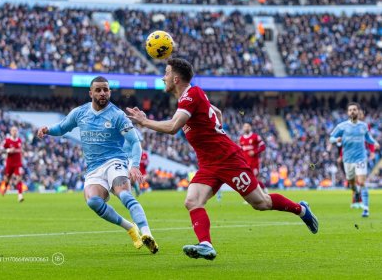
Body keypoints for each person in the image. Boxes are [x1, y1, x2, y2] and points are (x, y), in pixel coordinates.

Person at [126, 58, 318, 261]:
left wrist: (145, 121)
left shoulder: (191, 94)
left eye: (165, 73)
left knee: (261, 202)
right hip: (209, 164)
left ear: (175, 78)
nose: (163, 77)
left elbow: (173, 127)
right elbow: (216, 111)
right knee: (192, 201)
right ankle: (206, 245)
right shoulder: (190, 97)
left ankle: (302, 210)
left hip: (228, 160)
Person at [36, 76, 158, 253]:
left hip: (114, 162)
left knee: (124, 195)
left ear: (110, 92)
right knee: (93, 202)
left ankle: (147, 233)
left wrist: (135, 165)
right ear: (91, 92)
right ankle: (130, 228)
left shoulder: (118, 115)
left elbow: (135, 143)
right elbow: (62, 128)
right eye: (99, 90)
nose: (102, 93)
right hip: (94, 168)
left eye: (106, 90)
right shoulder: (80, 113)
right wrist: (48, 130)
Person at [330, 103, 380, 217]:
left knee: (362, 182)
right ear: (348, 113)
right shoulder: (341, 126)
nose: (352, 111)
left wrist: (375, 142)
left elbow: (368, 138)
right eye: (350, 110)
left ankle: (366, 209)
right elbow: (331, 137)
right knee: (351, 183)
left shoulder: (363, 126)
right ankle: (356, 192)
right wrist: (335, 139)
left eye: (354, 109)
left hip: (361, 158)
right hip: (347, 159)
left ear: (358, 111)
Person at [337, 108, 376, 209]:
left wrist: (372, 152)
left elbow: (369, 140)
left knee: (360, 180)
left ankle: (361, 201)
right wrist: (341, 155)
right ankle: (355, 201)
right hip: (349, 157)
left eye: (361, 113)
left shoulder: (364, 127)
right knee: (353, 181)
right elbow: (346, 144)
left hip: (360, 157)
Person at [239, 122, 267, 193]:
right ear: (243, 128)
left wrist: (255, 152)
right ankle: (260, 193)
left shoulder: (255, 136)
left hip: (254, 162)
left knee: (254, 179)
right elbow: (240, 150)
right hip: (245, 163)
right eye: (245, 127)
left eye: (248, 126)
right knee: (249, 180)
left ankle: (263, 192)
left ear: (250, 127)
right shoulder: (241, 138)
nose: (246, 128)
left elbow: (263, 146)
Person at [2, 126, 24, 202]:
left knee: (19, 178)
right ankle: (5, 187)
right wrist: (8, 150)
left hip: (18, 163)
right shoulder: (7, 141)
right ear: (11, 132)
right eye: (13, 130)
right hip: (10, 163)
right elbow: (2, 150)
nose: (14, 132)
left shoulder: (19, 140)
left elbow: (21, 150)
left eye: (16, 130)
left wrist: (22, 158)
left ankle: (20, 195)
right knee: (7, 178)